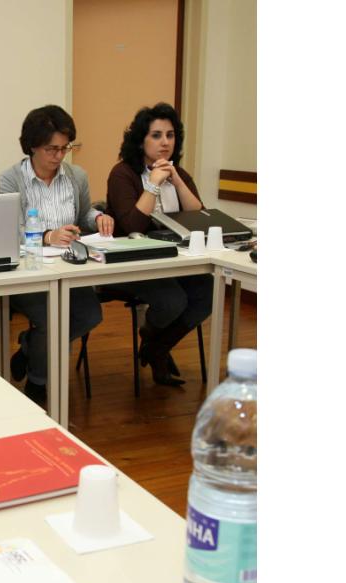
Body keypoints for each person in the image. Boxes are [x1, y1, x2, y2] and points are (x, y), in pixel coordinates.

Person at [0, 105, 114, 404]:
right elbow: (9, 230)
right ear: (32, 146)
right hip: (30, 271)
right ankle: (38, 381)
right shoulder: (11, 179)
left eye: (65, 148)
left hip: (71, 268)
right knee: (51, 320)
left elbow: (84, 212)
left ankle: (29, 347)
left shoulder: (76, 176)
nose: (59, 156)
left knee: (90, 315)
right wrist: (48, 236)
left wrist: (98, 218)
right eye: (52, 149)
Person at [104, 102, 213, 386]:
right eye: (156, 135)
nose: (165, 142)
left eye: (170, 135)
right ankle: (156, 345)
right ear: (141, 140)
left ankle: (155, 345)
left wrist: (177, 182)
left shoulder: (177, 172)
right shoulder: (123, 174)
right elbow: (132, 227)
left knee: (208, 292)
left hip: (173, 263)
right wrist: (153, 183)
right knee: (173, 300)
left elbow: (199, 219)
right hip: (133, 264)